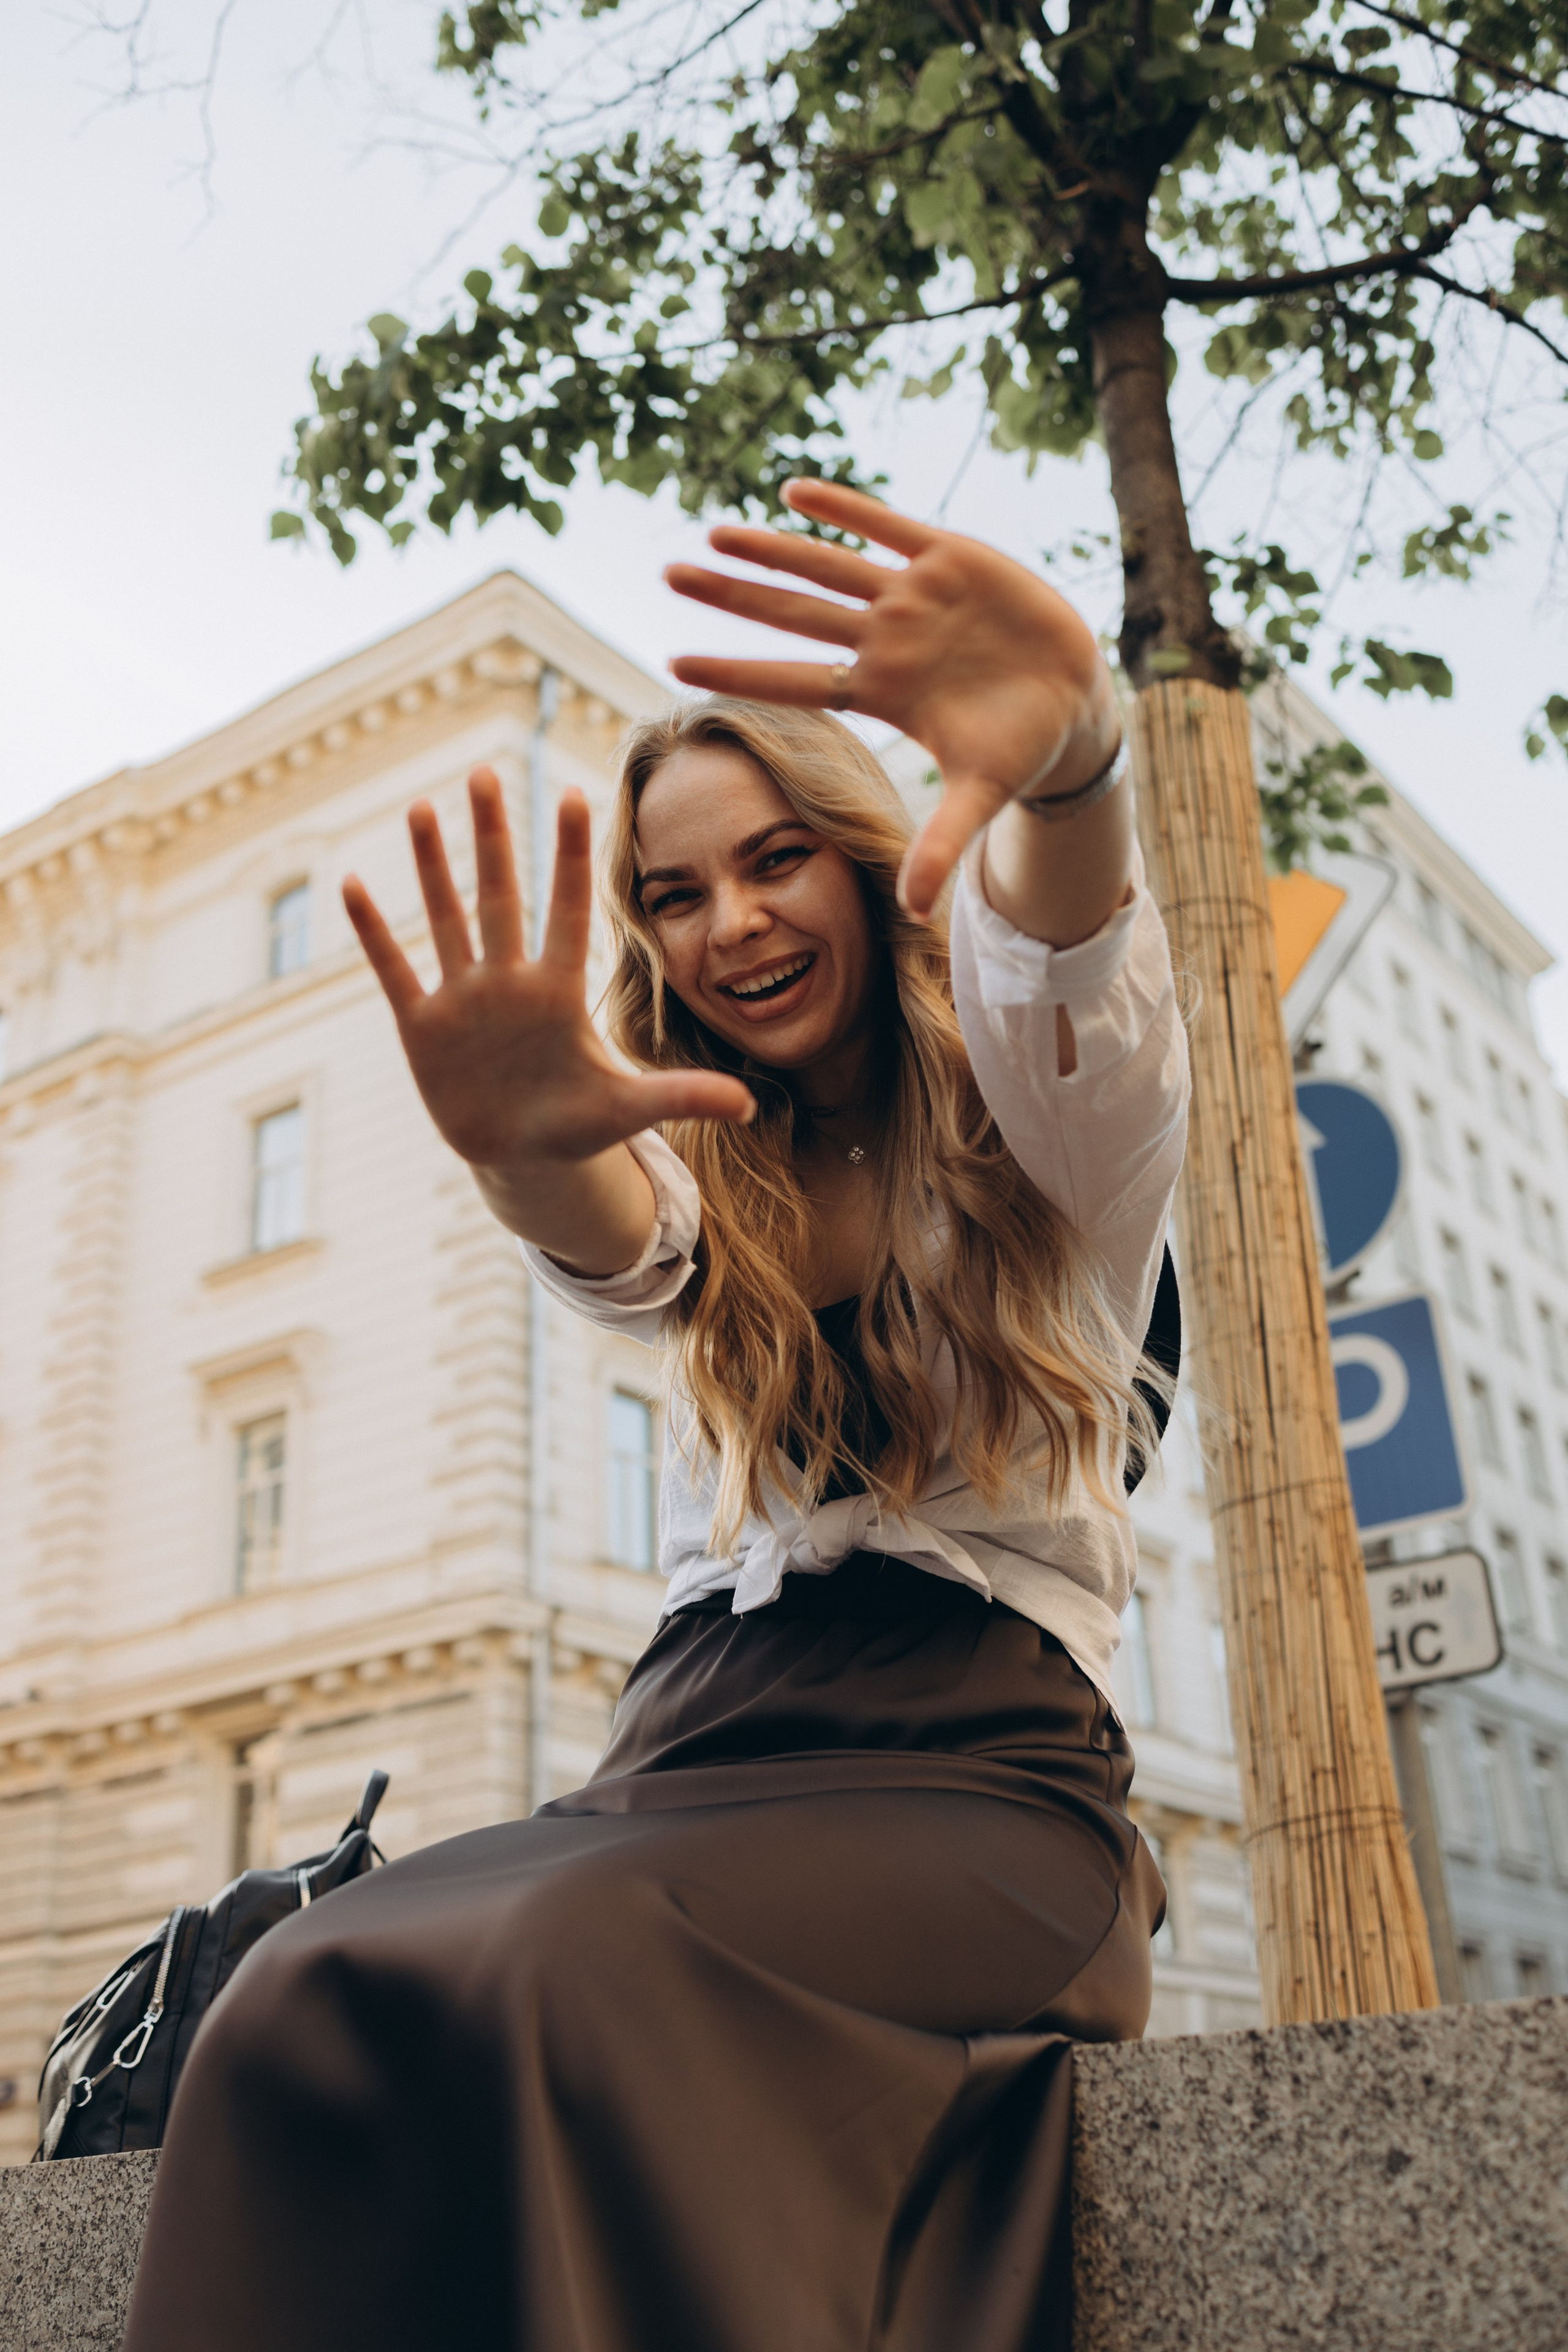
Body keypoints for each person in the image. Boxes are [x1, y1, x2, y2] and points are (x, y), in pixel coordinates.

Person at [123, 481, 1188, 2352]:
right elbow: (630, 1247)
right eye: (673, 895)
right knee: (294, 1985)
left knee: (573, 1969)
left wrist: (1076, 768)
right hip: (685, 1758)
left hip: (981, 1782)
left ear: (863, 856)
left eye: (774, 859)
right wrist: (529, 1161)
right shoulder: (720, 1166)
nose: (731, 925)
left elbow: (1067, 968)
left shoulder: (1046, 1139)